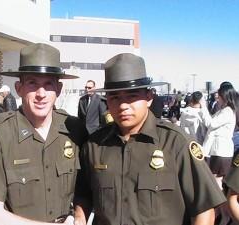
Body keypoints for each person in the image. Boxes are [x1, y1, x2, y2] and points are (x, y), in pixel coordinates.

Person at [74, 53, 226, 225]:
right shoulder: (94, 146)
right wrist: (80, 216)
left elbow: (204, 210)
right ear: (107, 101)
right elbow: (83, 194)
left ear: (148, 97)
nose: (123, 105)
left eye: (132, 96)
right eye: (115, 97)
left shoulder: (176, 143)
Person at [0, 43, 87, 225]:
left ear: (58, 89)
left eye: (48, 84)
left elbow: (85, 188)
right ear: (18, 88)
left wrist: (79, 217)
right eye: (32, 83)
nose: (41, 93)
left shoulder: (74, 129)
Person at [199, 82, 238, 189]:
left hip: (220, 151)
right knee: (216, 180)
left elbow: (211, 124)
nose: (217, 98)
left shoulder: (227, 111)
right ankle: (219, 205)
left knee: (215, 180)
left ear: (224, 97)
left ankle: (218, 205)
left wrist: (203, 107)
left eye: (219, 96)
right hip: (220, 151)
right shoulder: (225, 110)